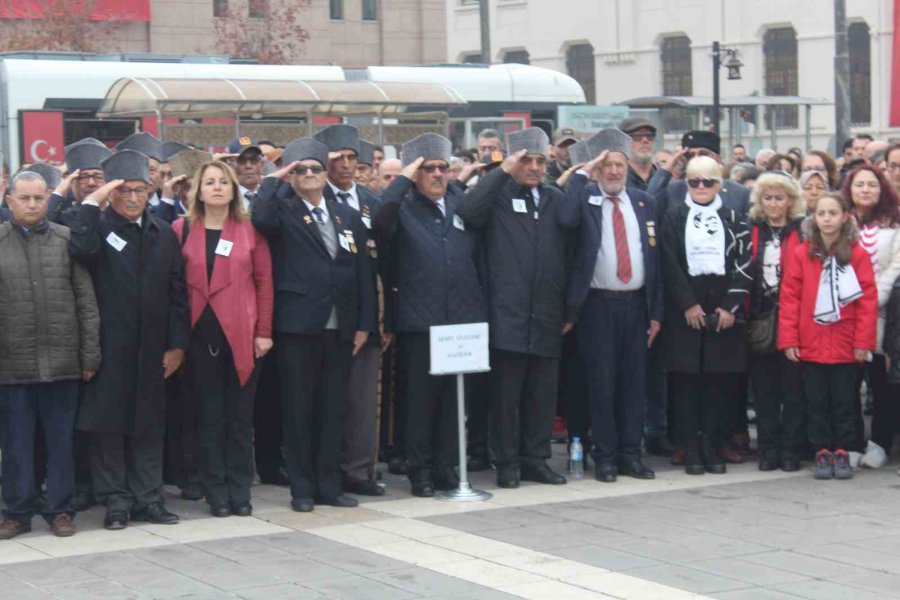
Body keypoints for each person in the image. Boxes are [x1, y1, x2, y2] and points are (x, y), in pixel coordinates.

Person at [69, 149, 190, 530]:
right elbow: (81, 248)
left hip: (153, 347)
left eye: (141, 190)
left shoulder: (163, 233)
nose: (134, 198)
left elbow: (177, 293)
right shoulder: (97, 228)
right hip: (109, 347)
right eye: (124, 191)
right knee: (109, 427)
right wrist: (92, 202)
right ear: (111, 194)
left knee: (149, 425)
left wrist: (176, 345)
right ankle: (116, 501)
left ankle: (149, 498)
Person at [252, 138, 373, 512]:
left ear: (326, 175)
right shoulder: (283, 210)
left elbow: (363, 271)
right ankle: (302, 489)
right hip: (298, 325)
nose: (308, 175)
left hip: (340, 325)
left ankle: (329, 486)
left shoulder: (346, 214)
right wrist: (276, 177)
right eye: (300, 169)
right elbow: (258, 217)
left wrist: (364, 322)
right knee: (299, 409)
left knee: (332, 409)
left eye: (315, 169)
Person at [373, 133, 487, 497]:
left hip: (461, 320)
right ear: (414, 173)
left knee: (455, 400)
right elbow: (379, 223)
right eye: (428, 169)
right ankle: (419, 470)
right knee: (421, 402)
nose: (437, 175)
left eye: (443, 167)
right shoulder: (402, 205)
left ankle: (446, 466)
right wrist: (403, 179)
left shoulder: (460, 202)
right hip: (420, 321)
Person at [457, 127, 570, 488]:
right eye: (527, 161)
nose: (535, 168)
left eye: (540, 161)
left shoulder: (553, 198)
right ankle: (506, 463)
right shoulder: (497, 195)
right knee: (506, 398)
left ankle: (535, 459)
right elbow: (468, 211)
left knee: (541, 396)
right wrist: (502, 171)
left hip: (547, 313)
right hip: (507, 315)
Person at [0, 171, 100, 540]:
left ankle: (61, 509)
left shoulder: (66, 240)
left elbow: (85, 303)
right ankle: (16, 512)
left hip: (62, 365)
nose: (31, 205)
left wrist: (89, 356)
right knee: (15, 446)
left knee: (62, 444)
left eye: (38, 198)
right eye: (23, 198)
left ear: (48, 199)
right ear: (8, 200)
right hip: (12, 368)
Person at [559, 129, 663, 482]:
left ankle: (630, 454)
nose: (615, 172)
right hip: (598, 307)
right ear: (598, 169)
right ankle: (604, 456)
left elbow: (655, 259)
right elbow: (565, 220)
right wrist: (583, 173)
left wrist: (656, 313)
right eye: (608, 166)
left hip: (637, 307)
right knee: (602, 384)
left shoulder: (642, 201)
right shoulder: (585, 197)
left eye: (620, 164)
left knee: (634, 385)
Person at [173, 160, 273, 517]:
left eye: (223, 182)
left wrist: (264, 333)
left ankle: (239, 489)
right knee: (209, 417)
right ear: (198, 190)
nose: (217, 187)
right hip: (199, 337)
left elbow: (264, 283)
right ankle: (215, 490)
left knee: (239, 420)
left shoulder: (250, 230)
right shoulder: (180, 229)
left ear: (233, 190)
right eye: (209, 182)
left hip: (242, 336)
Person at [660, 155, 752, 475]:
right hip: (686, 314)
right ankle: (691, 446)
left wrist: (730, 307)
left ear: (720, 185)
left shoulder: (735, 218)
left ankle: (713, 445)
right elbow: (668, 263)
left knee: (719, 385)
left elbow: (744, 265)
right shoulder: (673, 217)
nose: (700, 187)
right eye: (694, 181)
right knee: (686, 385)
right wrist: (686, 303)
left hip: (724, 314)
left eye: (708, 181)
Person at [779, 192, 877, 479]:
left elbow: (867, 301)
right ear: (814, 217)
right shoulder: (803, 252)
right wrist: (790, 340)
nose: (826, 219)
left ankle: (845, 451)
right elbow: (790, 299)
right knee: (817, 402)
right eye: (821, 214)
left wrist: (863, 343)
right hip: (811, 343)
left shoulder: (856, 253)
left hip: (846, 344)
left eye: (833, 213)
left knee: (846, 402)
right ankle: (822, 451)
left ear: (845, 216)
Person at [314, 124, 385, 497]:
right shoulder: (313, 198)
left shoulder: (372, 202)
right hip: (325, 320)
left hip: (366, 315)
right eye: (337, 158)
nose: (345, 165)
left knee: (360, 402)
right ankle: (323, 472)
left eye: (352, 158)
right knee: (326, 402)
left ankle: (359, 472)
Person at [747, 173, 806, 472]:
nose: (773, 203)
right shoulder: (751, 229)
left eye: (779, 198)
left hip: (793, 321)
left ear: (790, 201)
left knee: (793, 392)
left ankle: (791, 448)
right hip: (759, 319)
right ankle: (768, 448)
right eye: (767, 197)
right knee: (765, 391)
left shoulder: (802, 231)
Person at [843, 165, 900, 457]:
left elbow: (896, 264)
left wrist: (874, 295)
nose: (866, 190)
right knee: (850, 385)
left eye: (872, 185)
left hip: (883, 315)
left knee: (882, 384)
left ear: (882, 190)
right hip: (846, 314)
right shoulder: (840, 222)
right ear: (850, 190)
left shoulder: (893, 223)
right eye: (860, 185)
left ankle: (879, 443)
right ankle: (852, 443)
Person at [48, 139, 112, 227]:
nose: (91, 183)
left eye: (98, 177)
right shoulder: (63, 219)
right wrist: (59, 192)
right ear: (71, 182)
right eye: (83, 177)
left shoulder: (120, 215)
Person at [116, 132, 164, 208]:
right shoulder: (115, 206)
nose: (146, 176)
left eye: (151, 170)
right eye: (139, 169)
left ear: (161, 174)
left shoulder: (173, 205)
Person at [222, 137, 264, 208]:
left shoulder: (271, 196)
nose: (248, 166)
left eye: (254, 159)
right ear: (230, 165)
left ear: (261, 164)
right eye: (241, 160)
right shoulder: (223, 198)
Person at [619, 117, 657, 191]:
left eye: (649, 136)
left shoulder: (662, 179)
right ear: (624, 141)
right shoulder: (618, 179)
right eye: (637, 136)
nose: (645, 140)